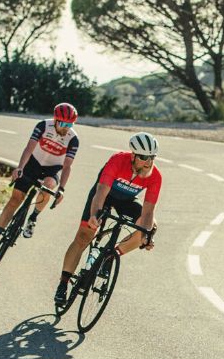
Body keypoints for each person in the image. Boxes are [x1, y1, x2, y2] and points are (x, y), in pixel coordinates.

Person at [53, 131, 162, 306]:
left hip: (126, 201)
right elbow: (101, 191)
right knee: (83, 237)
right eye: (143, 157)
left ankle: (111, 256)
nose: (148, 162)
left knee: (149, 228)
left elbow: (148, 211)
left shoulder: (155, 176)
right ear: (133, 155)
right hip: (104, 196)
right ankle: (63, 283)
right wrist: (95, 214)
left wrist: (147, 235)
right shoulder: (117, 161)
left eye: (152, 157)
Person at [0, 103, 80, 253]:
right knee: (15, 199)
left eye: (70, 124)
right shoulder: (43, 125)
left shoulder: (73, 139)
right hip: (33, 163)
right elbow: (29, 148)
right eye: (62, 123)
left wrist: (62, 189)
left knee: (48, 186)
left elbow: (67, 166)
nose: (66, 127)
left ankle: (33, 218)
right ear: (55, 120)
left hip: (52, 168)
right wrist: (20, 168)